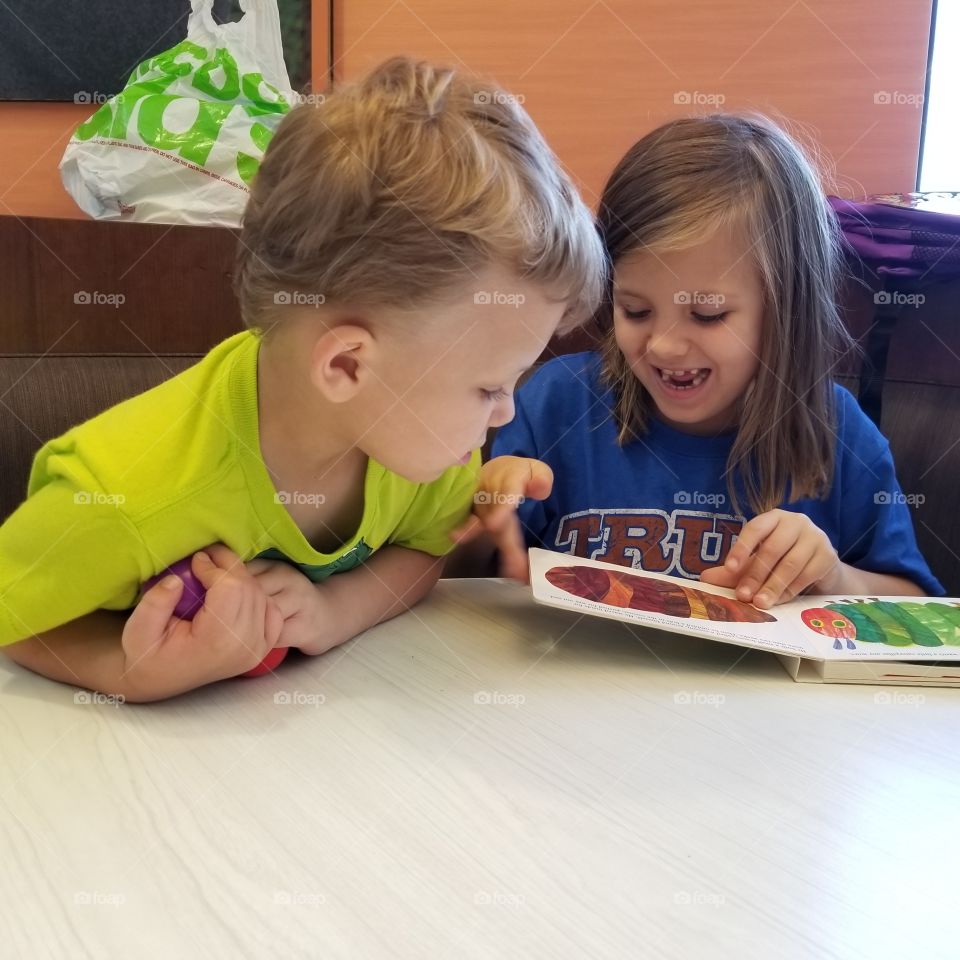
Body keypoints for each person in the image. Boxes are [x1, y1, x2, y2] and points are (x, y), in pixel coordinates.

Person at [0, 57, 604, 701]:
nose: (505, 415)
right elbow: (15, 618)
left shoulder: (423, 448)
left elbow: (427, 553)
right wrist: (128, 674)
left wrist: (337, 609)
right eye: (489, 388)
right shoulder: (124, 496)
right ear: (346, 365)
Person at [465, 115, 943, 605]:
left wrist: (837, 579)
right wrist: (486, 513)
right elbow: (466, 578)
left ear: (784, 310)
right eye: (636, 310)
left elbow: (916, 607)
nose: (665, 346)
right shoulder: (558, 403)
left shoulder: (839, 431)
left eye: (707, 314)